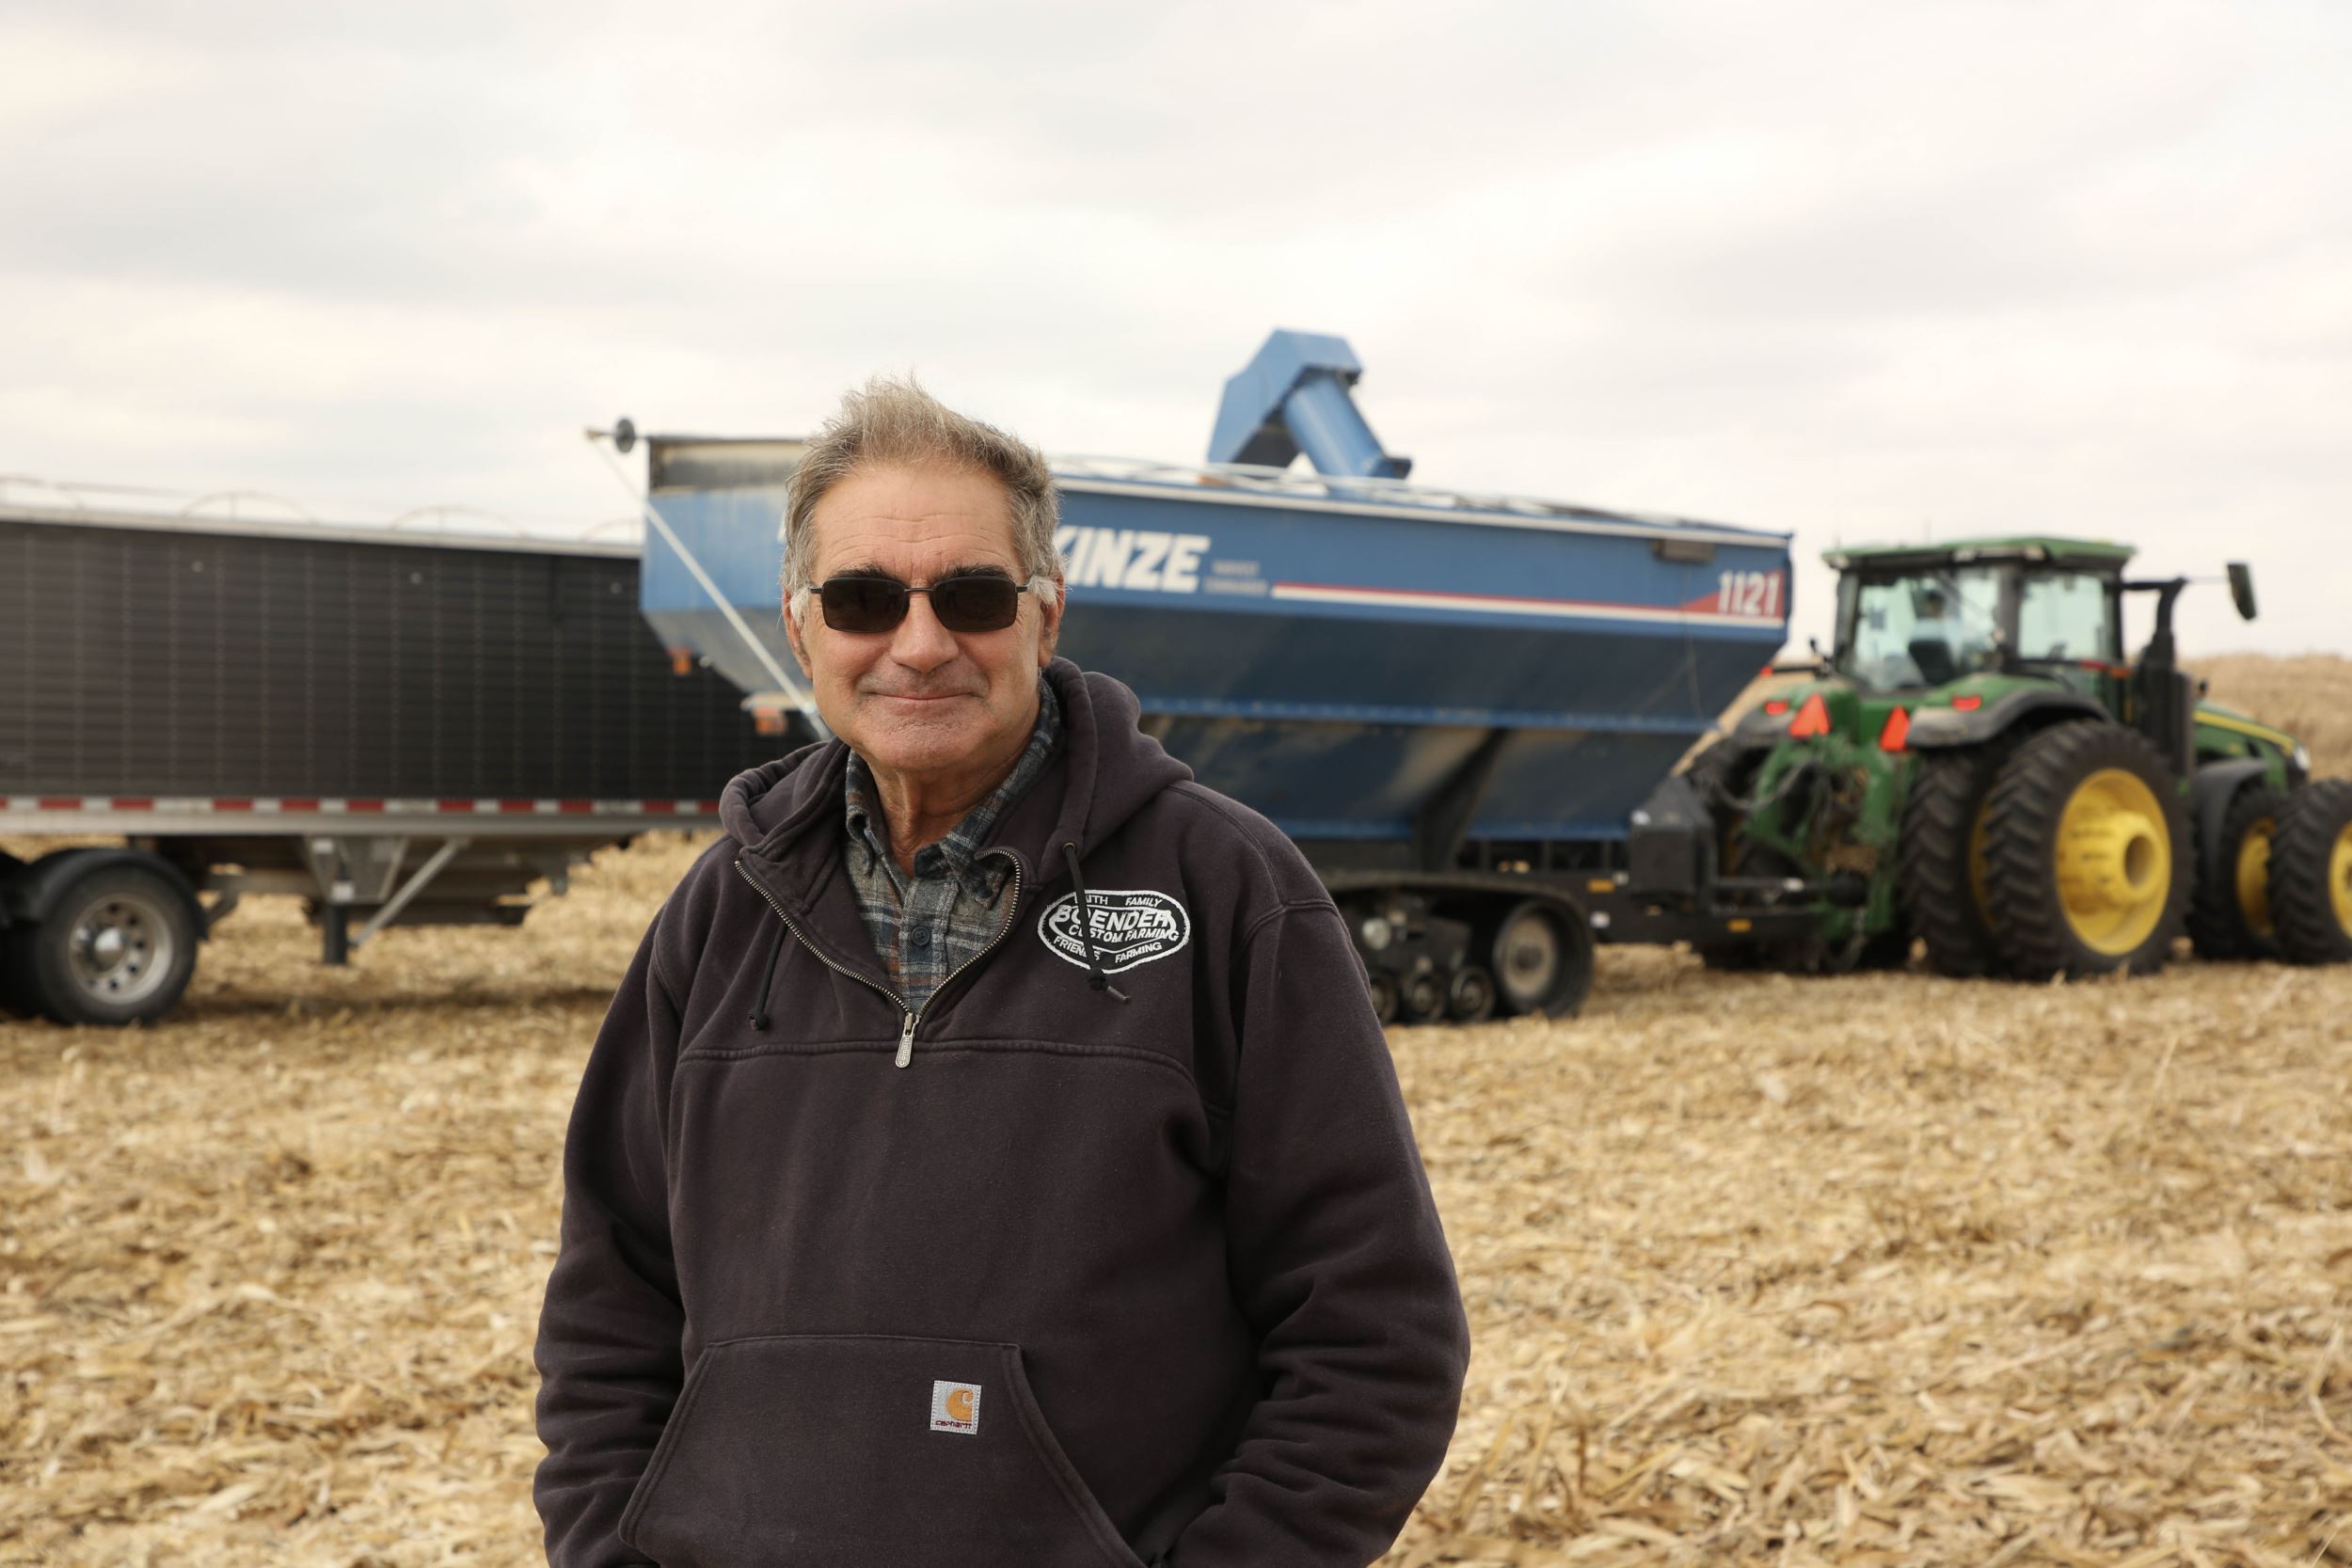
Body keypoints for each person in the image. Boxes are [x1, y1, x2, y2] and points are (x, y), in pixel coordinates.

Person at [532, 377, 1471, 1568]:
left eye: (970, 596)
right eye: (864, 598)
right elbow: (608, 1305)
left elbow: (1372, 1329)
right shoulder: (715, 917)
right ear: (800, 627)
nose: (918, 644)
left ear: (1045, 616)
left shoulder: (1227, 889)